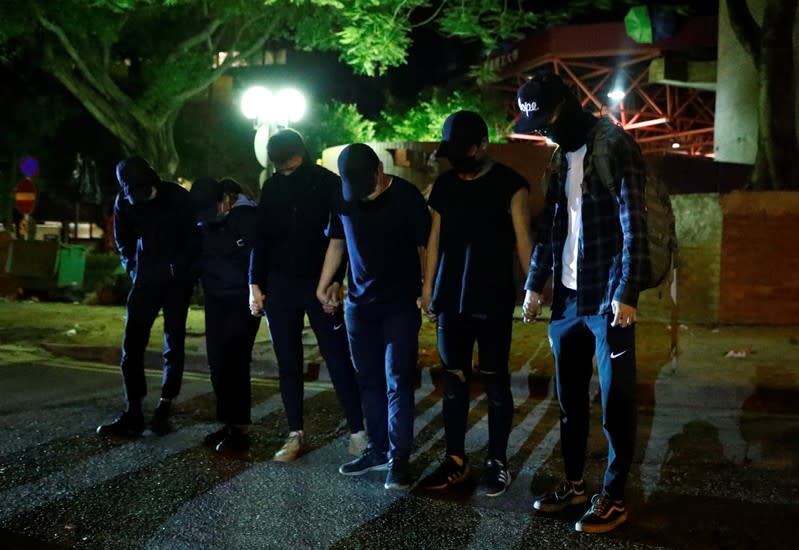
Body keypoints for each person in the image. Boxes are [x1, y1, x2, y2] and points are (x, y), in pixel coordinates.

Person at [516, 72, 647, 533]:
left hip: (608, 297)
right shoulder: (558, 157)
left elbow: (635, 224)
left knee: (616, 402)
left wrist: (627, 291)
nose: (545, 131)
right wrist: (535, 284)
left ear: (568, 106)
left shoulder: (613, 146)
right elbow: (553, 229)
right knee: (570, 401)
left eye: (548, 120)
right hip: (567, 302)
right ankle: (574, 484)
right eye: (538, 126)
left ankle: (612, 496)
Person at [419, 111, 532, 497]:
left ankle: (497, 462)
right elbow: (434, 241)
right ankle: (455, 459)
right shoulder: (443, 187)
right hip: (450, 300)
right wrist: (428, 287)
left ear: (482, 146)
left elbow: (523, 240)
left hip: (493, 297)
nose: (458, 160)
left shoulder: (510, 186)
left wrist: (532, 287)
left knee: (496, 380)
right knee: (454, 379)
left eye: (464, 151)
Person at [317, 143, 431, 490]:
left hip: (399, 304)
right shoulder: (343, 196)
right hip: (359, 305)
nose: (360, 197)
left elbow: (425, 246)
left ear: (379, 171)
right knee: (367, 380)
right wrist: (325, 283)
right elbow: (337, 241)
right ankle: (377, 449)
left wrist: (427, 289)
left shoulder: (407, 197)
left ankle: (399, 459)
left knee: (398, 380)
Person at [249, 129, 366, 462]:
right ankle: (295, 433)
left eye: (290, 166)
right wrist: (254, 283)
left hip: (319, 283)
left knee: (338, 357)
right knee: (288, 363)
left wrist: (336, 280)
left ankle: (358, 431)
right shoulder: (272, 186)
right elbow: (262, 237)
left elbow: (343, 238)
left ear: (302, 153)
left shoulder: (327, 184)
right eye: (281, 168)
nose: (286, 172)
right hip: (280, 285)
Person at [98, 156, 198, 437]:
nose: (142, 198)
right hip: (144, 282)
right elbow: (123, 243)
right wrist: (134, 270)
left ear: (154, 182)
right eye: (135, 194)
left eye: (146, 191)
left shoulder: (177, 197)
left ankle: (165, 408)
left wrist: (181, 269)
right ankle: (133, 412)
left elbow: (194, 238)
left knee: (173, 343)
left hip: (177, 283)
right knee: (131, 346)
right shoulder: (124, 202)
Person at [190, 177, 261, 452]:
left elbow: (257, 257)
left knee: (235, 359)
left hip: (242, 299)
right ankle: (228, 423)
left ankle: (240, 428)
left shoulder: (248, 217)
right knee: (217, 361)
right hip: (215, 297)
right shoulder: (204, 220)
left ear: (225, 199)